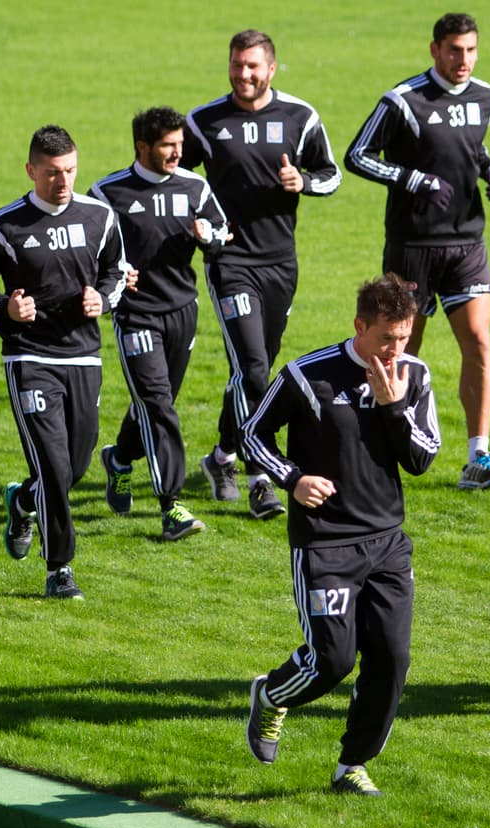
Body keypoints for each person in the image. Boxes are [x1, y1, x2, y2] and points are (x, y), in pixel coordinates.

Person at [240, 274, 440, 796]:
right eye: (386, 338)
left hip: (387, 543)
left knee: (392, 658)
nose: (396, 349)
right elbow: (252, 436)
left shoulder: (413, 377)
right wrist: (293, 479)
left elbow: (422, 458)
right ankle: (272, 696)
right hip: (324, 542)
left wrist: (392, 405)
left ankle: (352, 764)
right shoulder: (308, 376)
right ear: (360, 327)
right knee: (332, 660)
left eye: (405, 337)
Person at [345, 12, 490, 490]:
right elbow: (357, 155)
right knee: (403, 347)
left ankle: (478, 458)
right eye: (454, 50)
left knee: (479, 340)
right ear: (435, 50)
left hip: (467, 243)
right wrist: (412, 179)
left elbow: (470, 146)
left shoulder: (486, 96)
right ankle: (385, 442)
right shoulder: (403, 100)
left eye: (471, 50)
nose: (464, 60)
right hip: (413, 244)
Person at [182, 29, 341, 520]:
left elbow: (331, 173)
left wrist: (304, 182)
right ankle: (260, 476)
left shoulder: (301, 116)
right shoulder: (205, 121)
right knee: (253, 367)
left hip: (280, 263)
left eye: (252, 66)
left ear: (271, 68)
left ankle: (220, 457)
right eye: (236, 65)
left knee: (255, 370)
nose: (243, 74)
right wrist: (196, 226)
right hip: (229, 261)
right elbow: (177, 179)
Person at [0, 125, 128, 600]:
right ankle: (60, 568)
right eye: (54, 172)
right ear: (31, 170)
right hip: (29, 357)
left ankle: (21, 501)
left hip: (83, 355)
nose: (64, 181)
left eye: (71, 170)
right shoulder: (5, 226)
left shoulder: (100, 216)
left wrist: (105, 297)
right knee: (55, 467)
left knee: (76, 465)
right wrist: (5, 308)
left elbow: (116, 270)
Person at [89, 107, 229, 541]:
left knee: (157, 402)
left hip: (182, 310)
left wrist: (209, 238)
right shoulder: (107, 192)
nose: (177, 153)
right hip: (135, 314)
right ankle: (172, 505)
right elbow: (85, 252)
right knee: (159, 406)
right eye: (168, 146)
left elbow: (223, 231)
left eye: (180, 145)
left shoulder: (194, 186)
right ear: (142, 147)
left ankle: (119, 457)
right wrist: (110, 276)